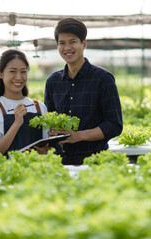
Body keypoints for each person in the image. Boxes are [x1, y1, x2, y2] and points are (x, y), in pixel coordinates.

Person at [44, 18, 123, 165]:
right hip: (58, 160)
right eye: (62, 43)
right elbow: (49, 121)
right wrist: (52, 131)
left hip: (94, 161)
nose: (67, 47)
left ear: (83, 44)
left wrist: (79, 136)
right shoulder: (53, 81)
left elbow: (114, 125)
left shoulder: (103, 79)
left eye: (72, 41)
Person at [0, 49, 49, 157]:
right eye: (13, 71)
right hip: (7, 172)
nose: (19, 77)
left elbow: (47, 147)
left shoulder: (39, 107)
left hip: (37, 172)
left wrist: (45, 151)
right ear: (0, 73)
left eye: (23, 71)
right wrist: (16, 124)